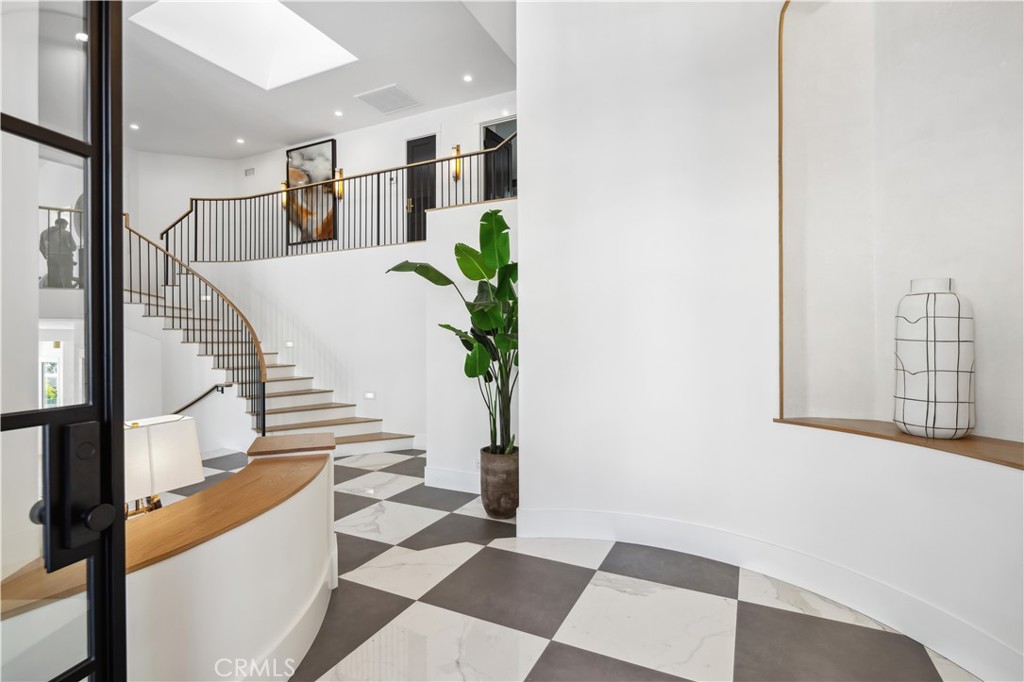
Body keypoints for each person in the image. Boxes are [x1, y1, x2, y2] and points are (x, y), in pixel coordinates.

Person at [39, 217, 78, 288]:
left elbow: (41, 247)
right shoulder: (66, 233)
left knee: (53, 280)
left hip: (50, 258)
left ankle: (54, 296)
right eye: (66, 226)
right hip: (65, 257)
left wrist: (47, 255)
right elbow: (74, 247)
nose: (66, 227)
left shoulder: (44, 233)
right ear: (63, 224)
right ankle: (68, 295)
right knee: (66, 279)